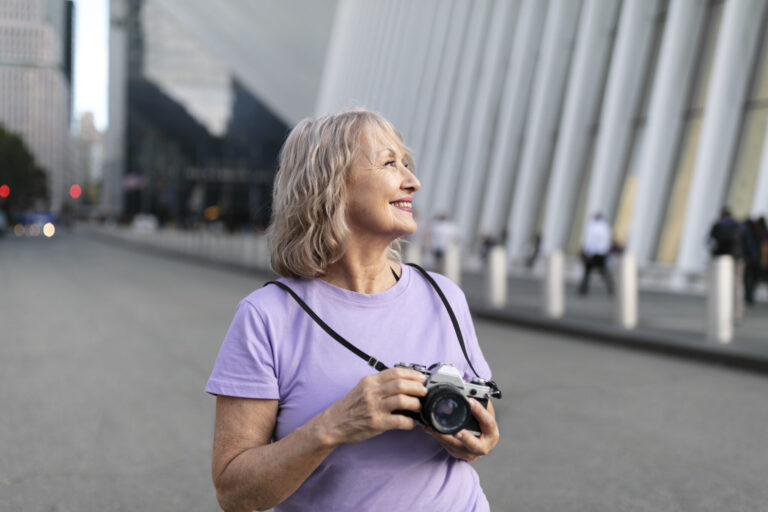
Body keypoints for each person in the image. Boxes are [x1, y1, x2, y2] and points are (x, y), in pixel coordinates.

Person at [206, 110, 499, 512]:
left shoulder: (445, 296)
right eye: (389, 163)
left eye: (407, 164)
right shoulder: (266, 316)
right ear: (331, 184)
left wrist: (471, 438)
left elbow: (478, 427)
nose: (412, 181)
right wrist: (334, 426)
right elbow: (234, 493)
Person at [708, 207, 744, 318]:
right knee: (737, 285)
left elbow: (709, 241)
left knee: (720, 285)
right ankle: (737, 312)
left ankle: (722, 311)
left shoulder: (717, 226)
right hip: (737, 258)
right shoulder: (738, 226)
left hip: (720, 260)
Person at [579, 212, 614, 296]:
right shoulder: (605, 227)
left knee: (587, 272)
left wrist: (588, 251)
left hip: (593, 252)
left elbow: (590, 240)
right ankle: (611, 288)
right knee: (603, 272)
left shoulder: (592, 226)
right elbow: (606, 241)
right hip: (601, 253)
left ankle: (583, 289)